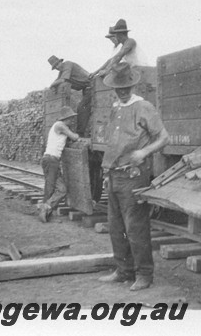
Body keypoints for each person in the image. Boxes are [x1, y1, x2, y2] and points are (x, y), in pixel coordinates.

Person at [97, 63, 169, 291]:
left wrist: (145, 151)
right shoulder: (115, 107)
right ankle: (124, 270)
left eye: (127, 87)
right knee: (116, 227)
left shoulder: (143, 106)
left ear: (133, 85)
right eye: (119, 88)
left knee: (135, 227)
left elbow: (163, 137)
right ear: (114, 89)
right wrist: (108, 172)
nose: (123, 91)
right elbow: (113, 144)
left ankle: (144, 274)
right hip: (115, 175)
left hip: (134, 175)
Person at [39, 106, 80, 222]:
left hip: (52, 160)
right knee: (51, 187)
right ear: (65, 118)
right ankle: (45, 211)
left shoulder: (59, 126)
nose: (72, 121)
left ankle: (46, 209)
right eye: (71, 118)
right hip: (51, 160)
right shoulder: (60, 125)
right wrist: (76, 136)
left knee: (61, 189)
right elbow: (74, 137)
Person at [48, 55, 92, 136]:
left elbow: (62, 80)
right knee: (85, 108)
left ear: (61, 62)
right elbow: (58, 80)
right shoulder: (62, 71)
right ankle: (84, 132)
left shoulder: (68, 64)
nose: (58, 67)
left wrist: (52, 85)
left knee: (82, 108)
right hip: (85, 89)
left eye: (58, 64)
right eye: (55, 67)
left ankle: (80, 133)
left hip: (91, 85)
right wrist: (54, 86)